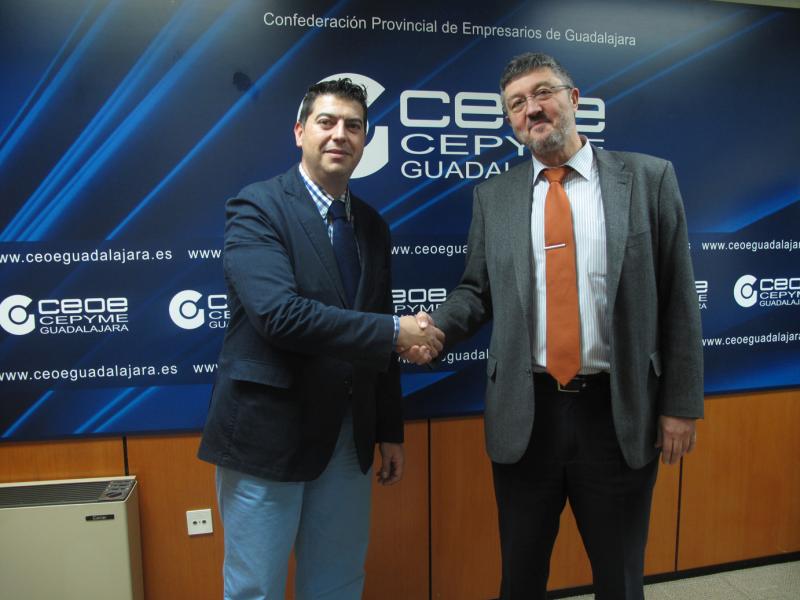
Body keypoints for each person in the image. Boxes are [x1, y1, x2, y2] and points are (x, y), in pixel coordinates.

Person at [411, 53, 704, 599]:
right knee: (520, 577)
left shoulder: (648, 179)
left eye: (542, 93)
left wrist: (681, 404)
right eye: (516, 103)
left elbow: (679, 300)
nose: (531, 109)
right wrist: (436, 331)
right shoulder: (494, 196)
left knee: (620, 578)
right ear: (510, 120)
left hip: (618, 412)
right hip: (527, 414)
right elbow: (476, 291)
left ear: (573, 99)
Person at [198, 78, 444, 600]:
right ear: (300, 132)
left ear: (365, 140)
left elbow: (378, 333)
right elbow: (279, 315)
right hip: (268, 433)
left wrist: (389, 429)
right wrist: (394, 331)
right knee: (255, 588)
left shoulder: (372, 226)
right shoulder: (257, 207)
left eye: (353, 126)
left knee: (338, 581)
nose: (340, 135)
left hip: (347, 436)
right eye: (326, 122)